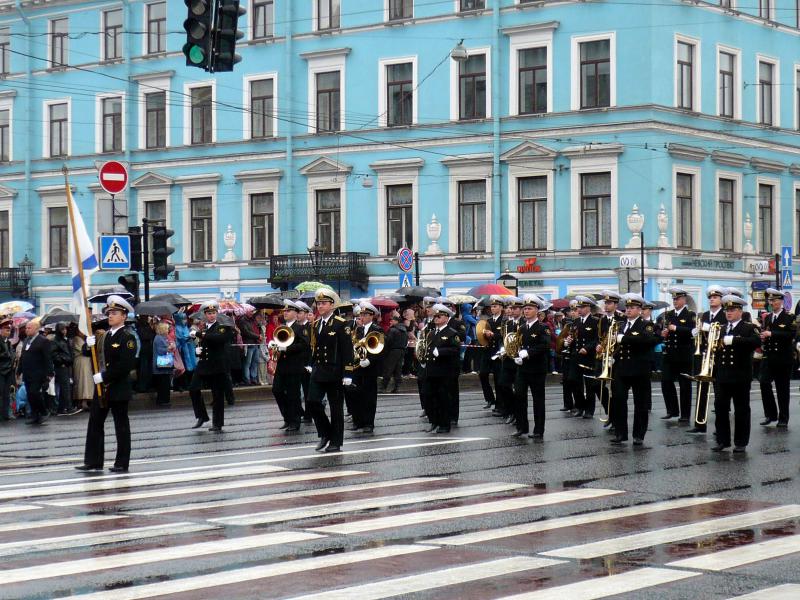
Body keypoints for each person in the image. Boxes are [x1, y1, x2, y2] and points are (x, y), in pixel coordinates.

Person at [76, 295, 137, 472]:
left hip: (117, 387)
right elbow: (89, 355)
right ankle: (93, 461)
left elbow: (125, 366)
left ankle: (121, 462)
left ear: (124, 316)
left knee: (121, 426)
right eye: (109, 313)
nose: (110, 316)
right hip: (102, 389)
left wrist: (105, 377)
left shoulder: (127, 338)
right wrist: (88, 345)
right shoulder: (104, 336)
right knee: (95, 423)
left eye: (115, 313)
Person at [306, 288, 354, 453]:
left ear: (332, 305)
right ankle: (325, 432)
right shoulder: (316, 323)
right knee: (312, 402)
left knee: (336, 408)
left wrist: (348, 373)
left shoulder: (341, 324)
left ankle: (336, 441)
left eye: (324, 303)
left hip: (335, 372)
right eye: (318, 303)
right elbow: (315, 347)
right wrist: (310, 364)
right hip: (319, 370)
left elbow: (348, 350)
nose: (320, 306)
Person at [713, 294, 761, 452]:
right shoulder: (720, 327)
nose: (729, 313)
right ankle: (722, 440)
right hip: (723, 375)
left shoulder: (748, 327)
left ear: (740, 311)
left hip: (740, 375)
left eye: (732, 310)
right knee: (720, 408)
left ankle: (740, 442)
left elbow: (756, 342)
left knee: (741, 410)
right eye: (727, 310)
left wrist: (734, 340)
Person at [609, 294, 659, 447]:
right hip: (621, 369)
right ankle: (620, 433)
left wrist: (624, 339)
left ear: (639, 310)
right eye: (627, 307)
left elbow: (648, 340)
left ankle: (638, 435)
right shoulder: (620, 325)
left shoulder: (646, 325)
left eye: (632, 308)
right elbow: (615, 344)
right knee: (618, 401)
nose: (628, 310)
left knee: (641, 404)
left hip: (639, 369)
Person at [189, 301, 234, 432]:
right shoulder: (204, 328)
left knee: (217, 395)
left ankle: (217, 423)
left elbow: (217, 339)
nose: (211, 315)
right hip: (204, 364)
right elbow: (205, 344)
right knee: (193, 388)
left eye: (213, 313)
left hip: (217, 365)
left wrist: (198, 334)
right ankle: (202, 416)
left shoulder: (221, 327)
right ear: (204, 314)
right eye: (209, 313)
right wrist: (199, 350)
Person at [512, 295, 551, 439]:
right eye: (525, 309)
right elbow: (518, 345)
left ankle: (538, 430)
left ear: (537, 310)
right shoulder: (521, 328)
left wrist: (528, 353)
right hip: (523, 369)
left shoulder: (543, 327)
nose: (526, 311)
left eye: (529, 308)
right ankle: (522, 427)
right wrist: (517, 355)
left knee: (538, 399)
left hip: (537, 369)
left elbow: (545, 345)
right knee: (519, 396)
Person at [270, 300, 310, 432]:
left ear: (296, 313)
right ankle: (287, 417)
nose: (285, 313)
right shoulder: (282, 327)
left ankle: (295, 421)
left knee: (293, 394)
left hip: (294, 366)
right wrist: (274, 345)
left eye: (288, 311)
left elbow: (304, 345)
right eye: (284, 311)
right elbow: (278, 341)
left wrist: (286, 349)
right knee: (277, 390)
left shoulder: (300, 328)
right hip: (282, 366)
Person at [421, 304, 461, 433]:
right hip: (431, 369)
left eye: (439, 316)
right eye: (435, 316)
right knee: (428, 396)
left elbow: (456, 349)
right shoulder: (431, 333)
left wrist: (441, 351)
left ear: (446, 317)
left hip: (444, 370)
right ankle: (434, 421)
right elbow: (427, 348)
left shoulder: (451, 333)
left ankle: (444, 424)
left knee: (443, 398)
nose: (436, 318)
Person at [659, 287, 696, 422]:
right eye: (674, 299)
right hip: (669, 353)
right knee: (666, 381)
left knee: (685, 385)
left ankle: (685, 415)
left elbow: (693, 331)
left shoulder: (690, 314)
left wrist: (676, 328)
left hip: (683, 354)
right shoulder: (669, 314)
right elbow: (665, 329)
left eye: (678, 299)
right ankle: (672, 410)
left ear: (684, 300)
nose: (675, 301)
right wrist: (663, 333)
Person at [758, 288, 793, 428]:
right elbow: (765, 333)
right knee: (764, 383)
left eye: (775, 300)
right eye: (771, 301)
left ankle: (783, 418)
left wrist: (771, 334)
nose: (772, 303)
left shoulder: (788, 317)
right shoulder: (768, 317)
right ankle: (771, 414)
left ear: (781, 301)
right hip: (769, 357)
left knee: (782, 389)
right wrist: (762, 336)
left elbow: (791, 335)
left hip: (783, 358)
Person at [564, 296, 599, 419]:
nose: (579, 310)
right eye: (578, 307)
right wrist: (569, 341)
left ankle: (589, 409)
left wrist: (588, 348)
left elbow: (597, 339)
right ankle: (580, 406)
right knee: (573, 381)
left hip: (588, 357)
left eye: (582, 307)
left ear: (588, 308)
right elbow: (574, 337)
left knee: (590, 385)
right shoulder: (576, 322)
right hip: (576, 356)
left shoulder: (595, 321)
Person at [352, 302, 383, 433]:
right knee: (357, 395)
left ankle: (369, 423)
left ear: (372, 316)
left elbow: (380, 348)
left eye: (365, 315)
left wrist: (369, 360)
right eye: (361, 314)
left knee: (369, 396)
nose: (362, 317)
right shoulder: (358, 330)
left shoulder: (377, 329)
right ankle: (358, 421)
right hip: (358, 367)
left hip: (370, 368)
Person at [16, 318, 54, 425]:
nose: (26, 330)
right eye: (26, 328)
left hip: (38, 373)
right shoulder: (27, 341)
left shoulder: (43, 341)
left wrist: (50, 373)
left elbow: (48, 358)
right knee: (30, 395)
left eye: (29, 328)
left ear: (36, 329)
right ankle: (35, 415)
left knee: (35, 393)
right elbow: (23, 357)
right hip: (27, 373)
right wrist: (19, 371)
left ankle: (44, 411)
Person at [479, 296, 505, 411]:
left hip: (498, 352)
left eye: (495, 306)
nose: (493, 308)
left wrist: (493, 334)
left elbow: (504, 335)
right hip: (487, 351)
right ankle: (490, 398)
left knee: (498, 378)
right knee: (483, 374)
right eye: (492, 306)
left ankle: (500, 404)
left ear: (501, 307)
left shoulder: (504, 321)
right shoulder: (488, 321)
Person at [52, 322, 79, 415]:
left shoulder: (65, 340)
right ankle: (69, 407)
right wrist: (62, 361)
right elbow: (54, 354)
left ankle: (61, 408)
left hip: (67, 365)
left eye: (65, 329)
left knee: (66, 387)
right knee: (65, 387)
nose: (65, 331)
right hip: (61, 366)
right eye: (62, 329)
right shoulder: (55, 340)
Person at [382, 313, 406, 393]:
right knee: (398, 369)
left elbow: (388, 341)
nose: (390, 322)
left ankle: (383, 387)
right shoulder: (404, 329)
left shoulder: (392, 330)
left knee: (389, 368)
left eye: (392, 320)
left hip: (393, 351)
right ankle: (397, 387)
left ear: (396, 321)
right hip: (402, 351)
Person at [152, 322, 174, 407]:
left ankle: (165, 399)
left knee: (165, 383)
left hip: (165, 365)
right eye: (167, 328)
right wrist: (169, 347)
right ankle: (162, 400)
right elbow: (161, 350)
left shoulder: (163, 337)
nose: (168, 330)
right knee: (163, 384)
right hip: (161, 366)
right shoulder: (158, 338)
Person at [0, 319, 13, 420]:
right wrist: (6, 354)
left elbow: (11, 355)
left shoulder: (8, 343)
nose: (8, 332)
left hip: (8, 371)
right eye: (6, 330)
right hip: (1, 371)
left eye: (9, 330)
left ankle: (6, 414)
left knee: (6, 394)